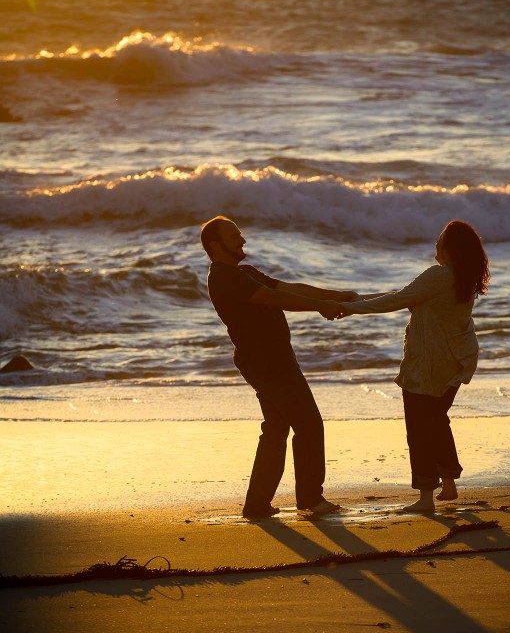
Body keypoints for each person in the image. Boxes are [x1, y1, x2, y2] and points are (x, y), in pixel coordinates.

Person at [201, 216, 354, 519]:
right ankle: (311, 498)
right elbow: (274, 297)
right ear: (216, 245)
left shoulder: (244, 272)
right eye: (235, 237)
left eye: (240, 234)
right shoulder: (223, 277)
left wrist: (334, 295)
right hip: (268, 364)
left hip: (272, 360)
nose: (242, 240)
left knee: (275, 430)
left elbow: (288, 287)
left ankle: (257, 505)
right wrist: (321, 306)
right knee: (308, 424)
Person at [341, 220, 489, 514]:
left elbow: (398, 300)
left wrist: (349, 308)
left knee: (420, 428)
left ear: (447, 248)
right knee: (436, 421)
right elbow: (405, 295)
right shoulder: (464, 278)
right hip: (455, 363)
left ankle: (425, 499)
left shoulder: (439, 275)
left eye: (440, 239)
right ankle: (448, 485)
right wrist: (355, 298)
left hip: (428, 366)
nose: (436, 244)